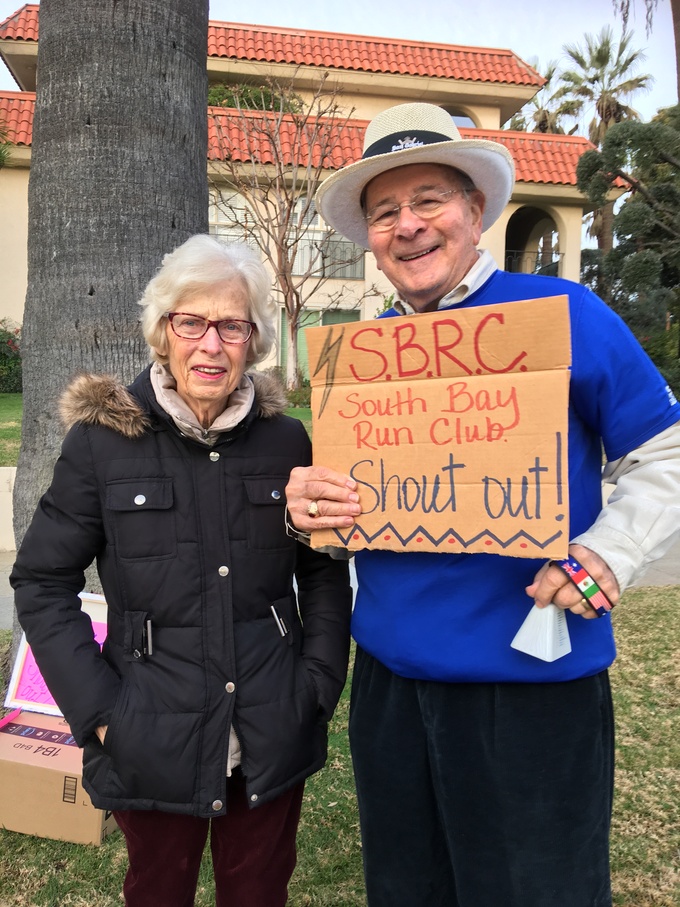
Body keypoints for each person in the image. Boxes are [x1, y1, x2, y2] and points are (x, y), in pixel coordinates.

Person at [284, 103, 680, 907]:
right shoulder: (362, 356)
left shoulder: (564, 315)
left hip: (531, 688)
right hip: (391, 686)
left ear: (474, 210)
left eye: (428, 199)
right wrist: (312, 514)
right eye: (385, 211)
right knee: (409, 888)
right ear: (371, 237)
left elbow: (664, 452)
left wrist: (608, 553)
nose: (407, 225)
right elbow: (355, 509)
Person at [11, 234, 352, 907]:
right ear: (163, 332)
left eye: (232, 325)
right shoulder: (103, 443)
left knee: (258, 893)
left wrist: (317, 685)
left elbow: (322, 570)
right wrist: (102, 715)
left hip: (271, 725)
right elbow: (42, 582)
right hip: (148, 733)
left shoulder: (287, 441)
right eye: (191, 322)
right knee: (157, 892)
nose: (211, 344)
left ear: (253, 339)